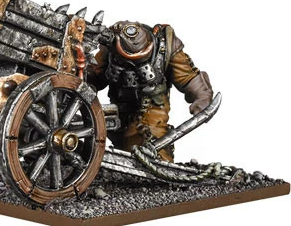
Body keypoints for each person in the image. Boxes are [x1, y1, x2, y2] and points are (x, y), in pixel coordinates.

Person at [87, 20, 213, 161]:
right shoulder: (111, 47)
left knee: (155, 156)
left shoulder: (166, 46)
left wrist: (202, 96)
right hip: (117, 117)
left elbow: (188, 77)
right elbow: (92, 77)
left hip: (152, 118)